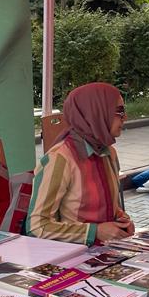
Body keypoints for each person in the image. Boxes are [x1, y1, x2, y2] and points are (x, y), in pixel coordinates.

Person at [25, 82, 134, 245]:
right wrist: (95, 231)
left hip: (106, 249)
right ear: (95, 112)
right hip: (73, 253)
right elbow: (37, 226)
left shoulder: (108, 152)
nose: (125, 117)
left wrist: (120, 219)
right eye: (119, 111)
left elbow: (108, 205)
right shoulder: (60, 158)